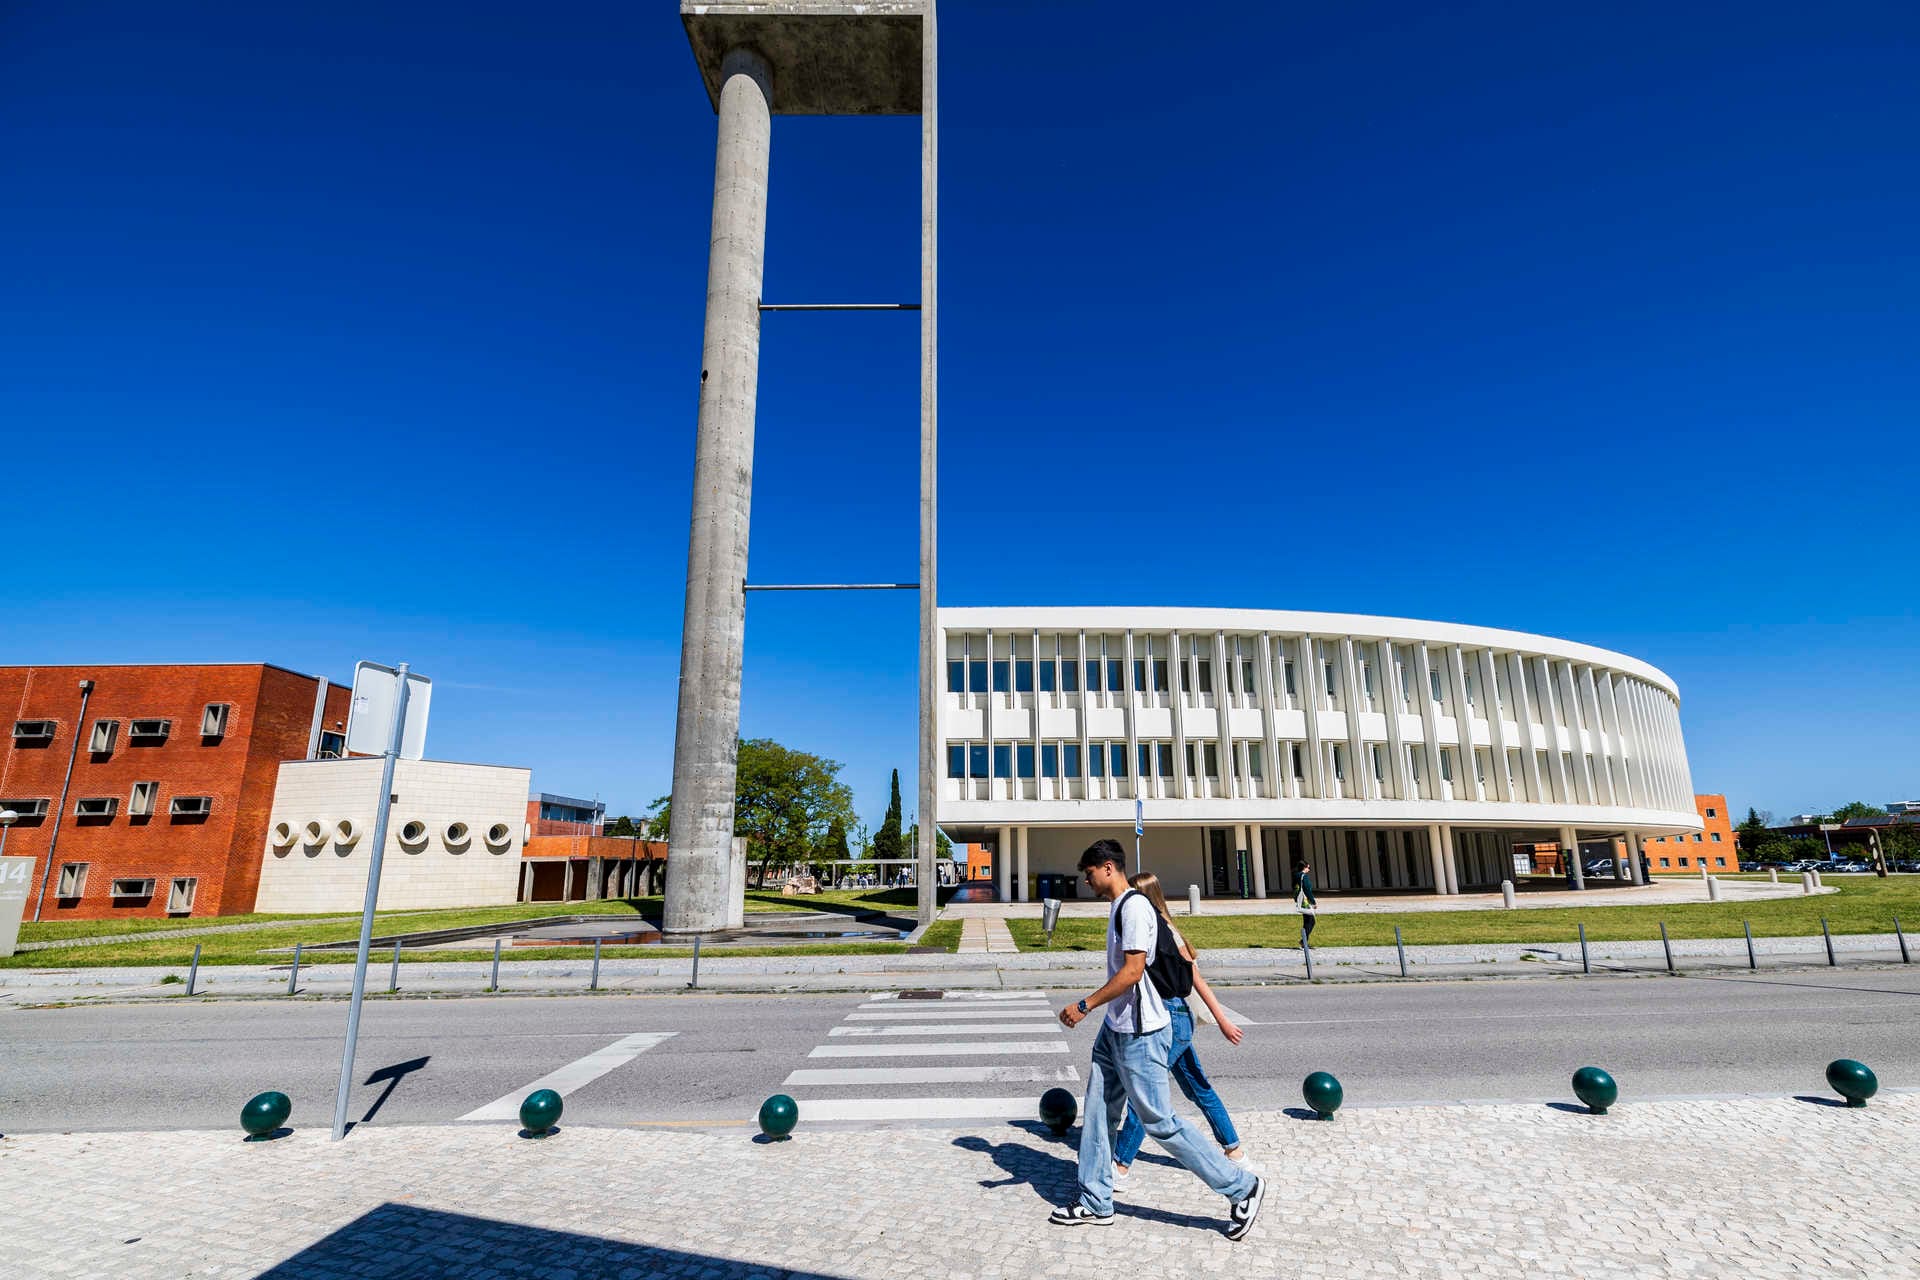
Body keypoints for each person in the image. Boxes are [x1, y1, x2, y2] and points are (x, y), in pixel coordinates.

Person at [1050, 840, 1265, 1240]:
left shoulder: (1133, 908)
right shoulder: (1119, 906)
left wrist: (1085, 1004)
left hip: (1141, 1033)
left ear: (1108, 867)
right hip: (1115, 1030)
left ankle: (1242, 1187)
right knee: (1098, 1112)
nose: (1086, 879)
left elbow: (1132, 972)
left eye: (1090, 871)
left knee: (1159, 1123)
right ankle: (1097, 1200)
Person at [1110, 871, 1252, 1189]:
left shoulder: (1165, 934)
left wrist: (1223, 1021)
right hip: (1175, 1020)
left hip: (1171, 1019)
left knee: (1144, 1095)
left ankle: (1119, 1166)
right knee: (1198, 1088)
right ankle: (1235, 1151)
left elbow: (1197, 981)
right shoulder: (1160, 928)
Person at [1294, 858, 1318, 946]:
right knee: (1311, 922)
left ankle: (1304, 942)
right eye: (1309, 868)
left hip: (1300, 901)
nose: (1309, 869)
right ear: (1304, 867)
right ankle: (1303, 941)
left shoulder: (1297, 875)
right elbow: (1307, 890)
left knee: (1307, 921)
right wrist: (1313, 902)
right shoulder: (1304, 876)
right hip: (1305, 901)